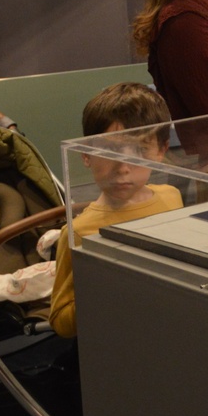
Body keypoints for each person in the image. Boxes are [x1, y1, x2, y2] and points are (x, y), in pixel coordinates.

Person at [49, 83, 183, 338]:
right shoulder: (77, 231)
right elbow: (61, 320)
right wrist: (112, 291)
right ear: (85, 155)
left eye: (140, 151)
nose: (123, 167)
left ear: (161, 151)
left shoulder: (171, 197)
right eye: (109, 150)